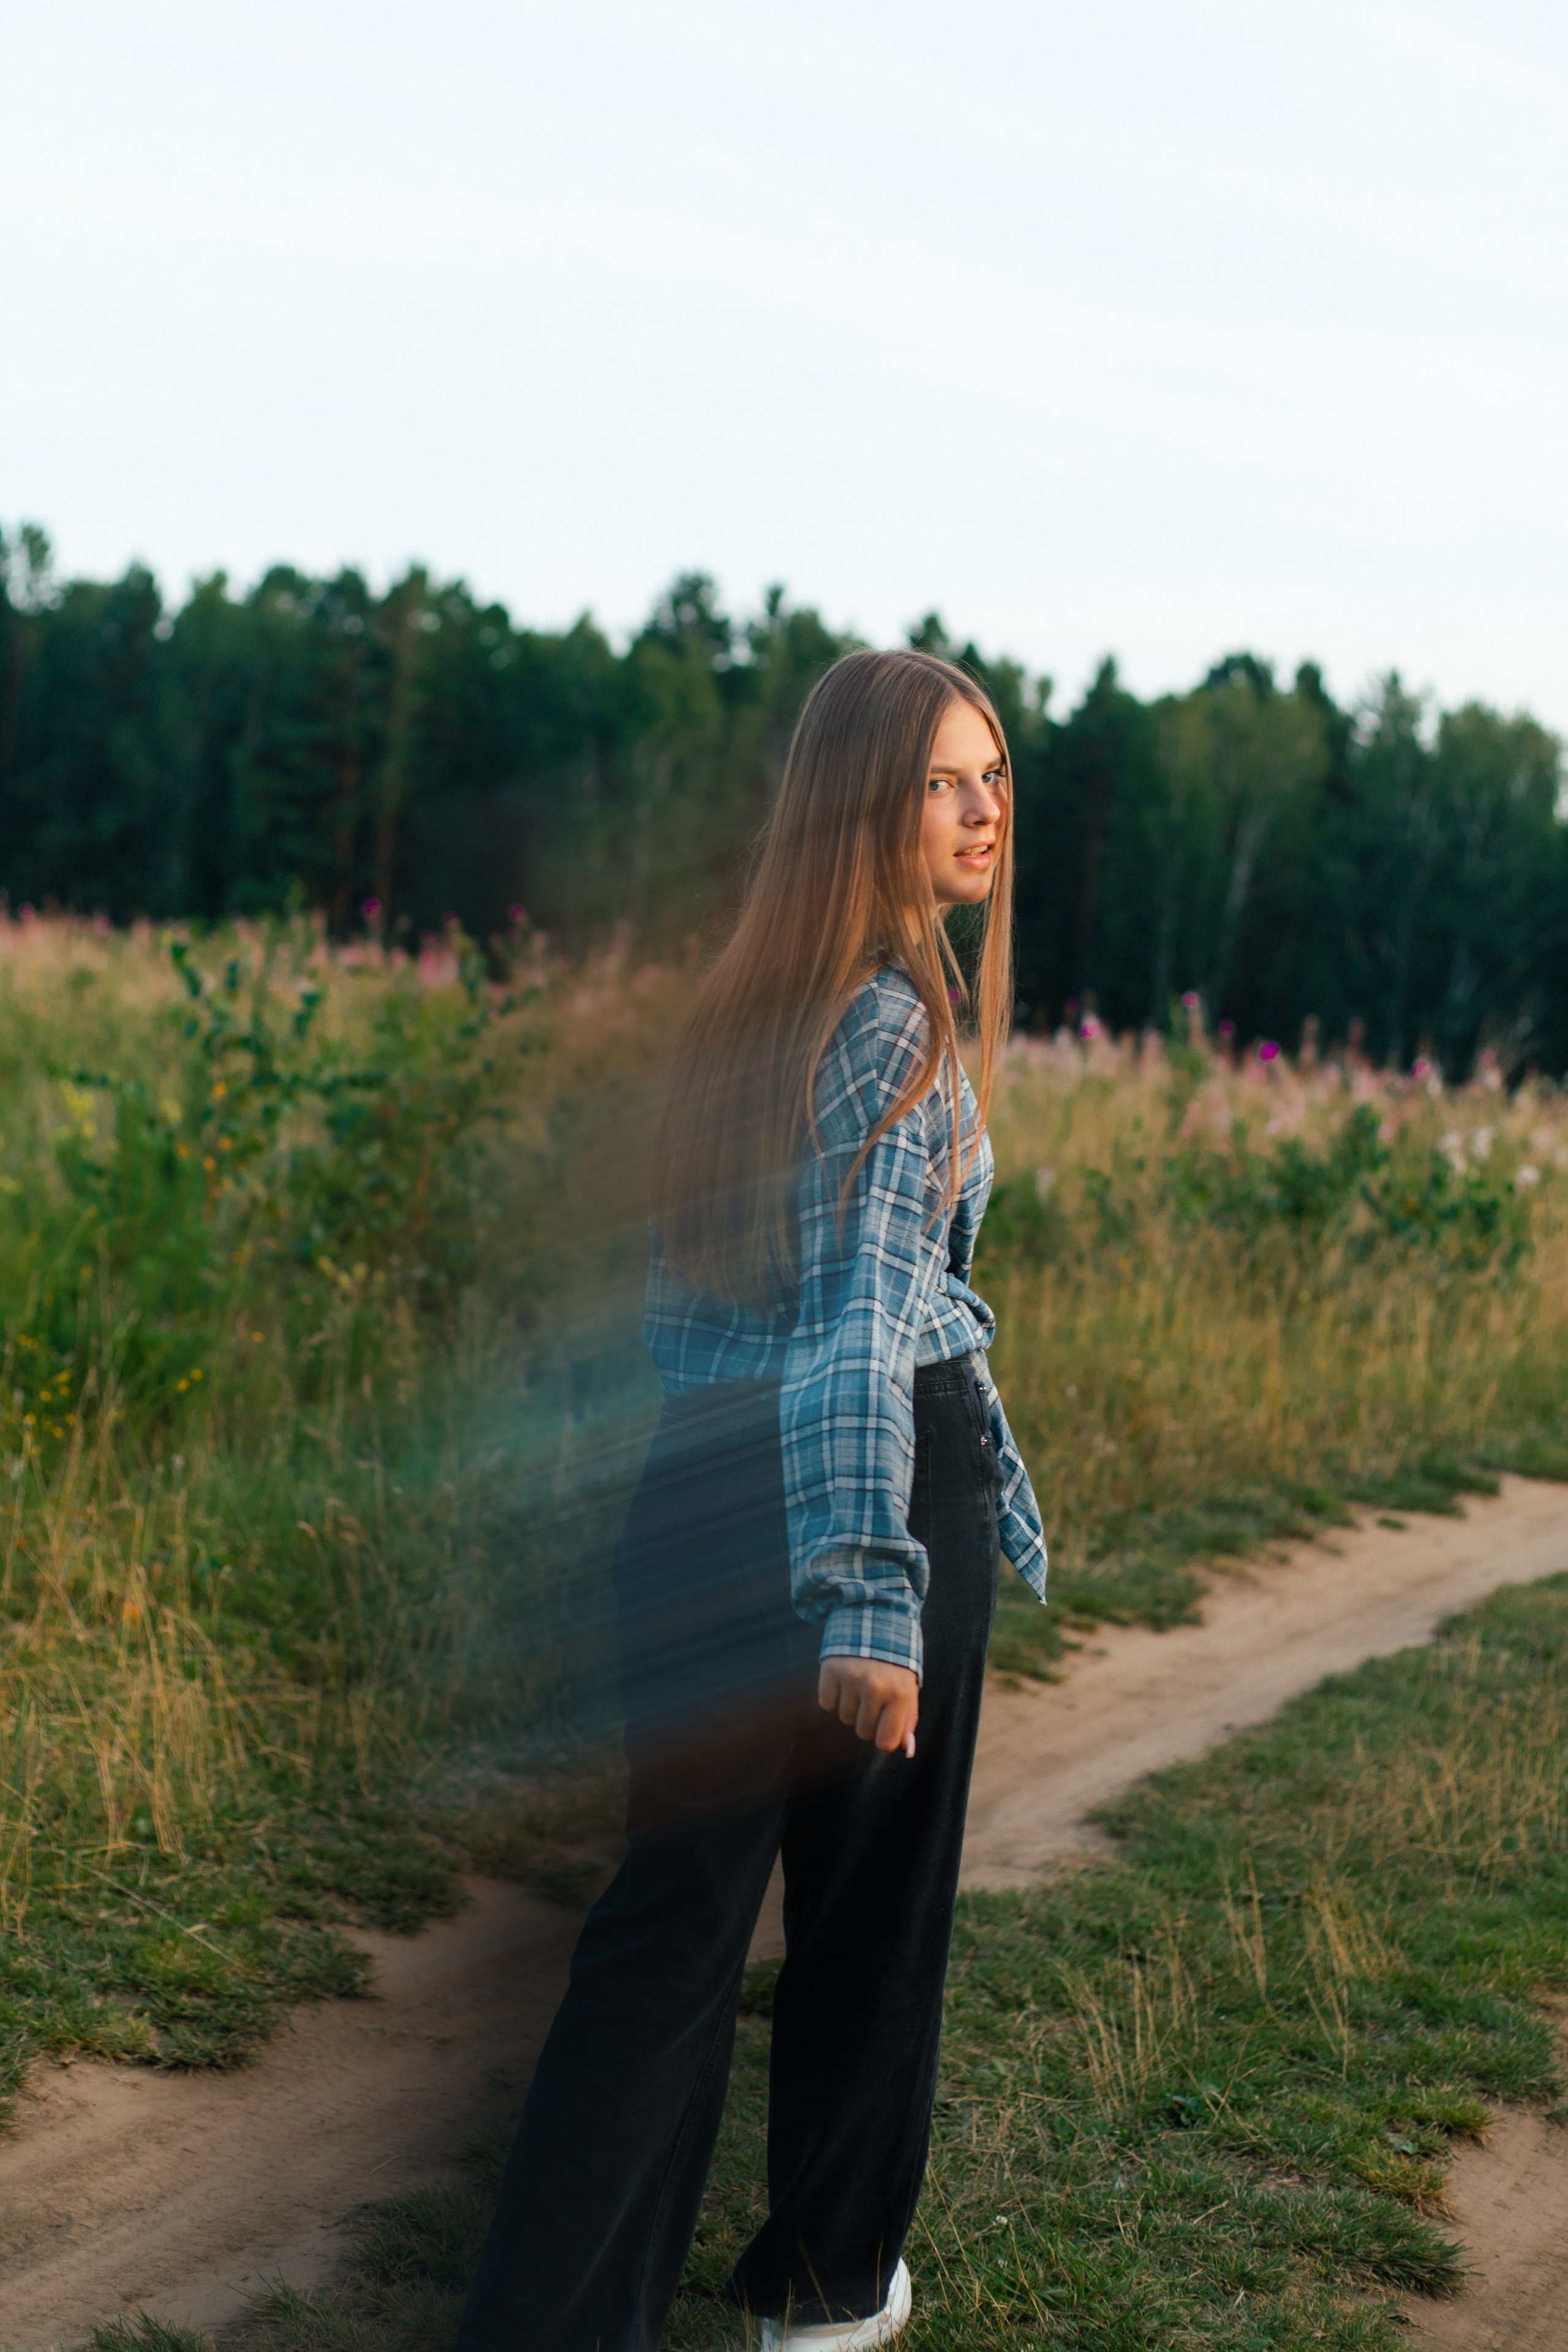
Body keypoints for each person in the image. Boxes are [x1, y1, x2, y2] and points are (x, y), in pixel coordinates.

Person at [458, 649, 1048, 2352]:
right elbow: (865, 1335)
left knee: (667, 1935)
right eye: (947, 779)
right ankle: (827, 2292)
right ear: (864, 802)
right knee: (869, 1927)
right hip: (868, 1486)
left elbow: (702, 1317)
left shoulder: (741, 1012)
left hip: (704, 1487)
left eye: (994, 774)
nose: (987, 807)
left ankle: (555, 2322)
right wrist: (871, 1595)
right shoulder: (895, 1030)